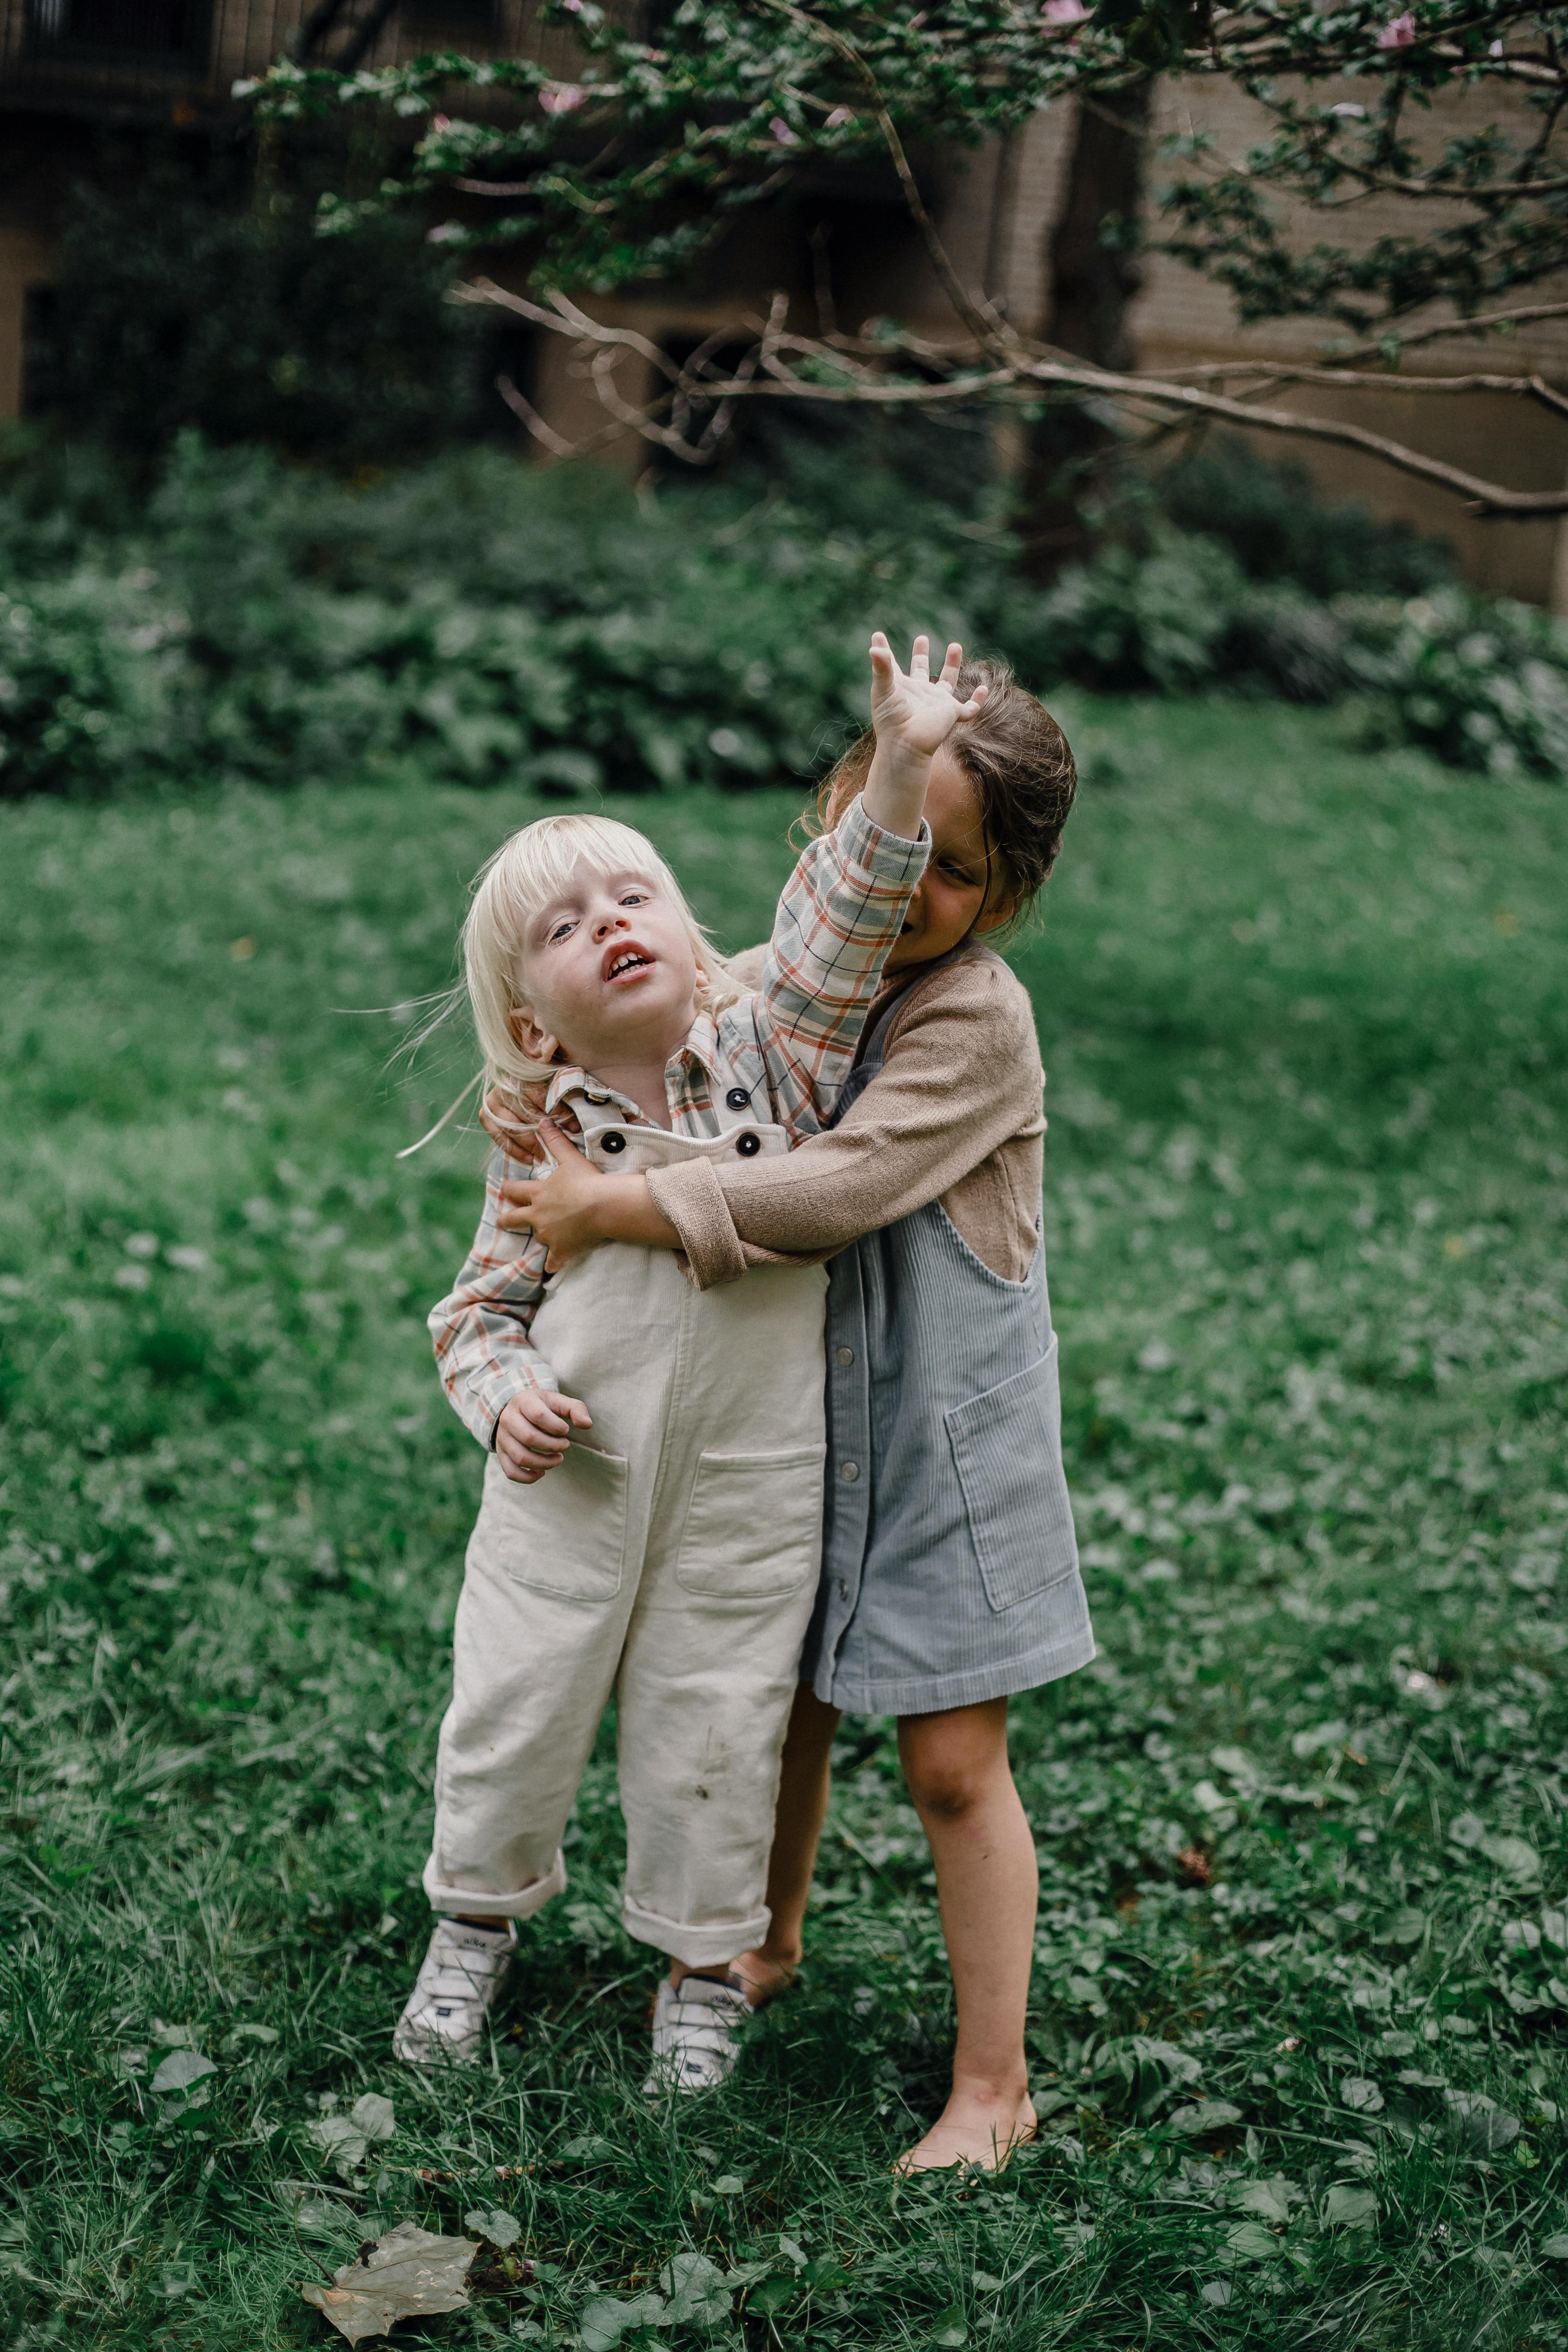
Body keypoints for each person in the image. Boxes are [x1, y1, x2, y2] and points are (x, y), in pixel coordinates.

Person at [499, 656, 1093, 2170]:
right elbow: (656, 1050)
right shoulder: (776, 977)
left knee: (954, 1767)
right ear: (840, 814)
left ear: (1002, 898)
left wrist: (621, 1206)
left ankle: (991, 2088)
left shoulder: (976, 1024)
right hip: (792, 1431)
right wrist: (559, 1101)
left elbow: (832, 1193)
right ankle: (764, 1941)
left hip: (944, 1449)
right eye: (889, 843)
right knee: (782, 1706)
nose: (907, 897)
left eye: (953, 877)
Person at [394, 633, 987, 2095]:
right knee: (514, 1707)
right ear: (536, 1023)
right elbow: (473, 1315)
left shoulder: (776, 1053)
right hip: (572, 1497)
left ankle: (706, 1968)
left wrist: (904, 765)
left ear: (689, 926)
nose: (610, 923)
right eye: (564, 926)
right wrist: (501, 1398)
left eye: (634, 893)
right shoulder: (539, 1145)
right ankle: (473, 1926)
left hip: (745, 1489)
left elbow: (848, 915)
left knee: (718, 1721)